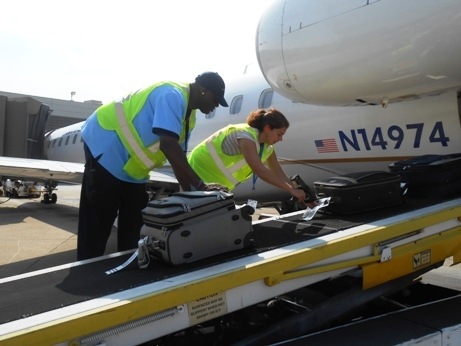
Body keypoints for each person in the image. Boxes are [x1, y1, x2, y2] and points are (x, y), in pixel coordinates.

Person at [77, 72, 228, 260]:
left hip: (132, 169)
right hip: (106, 145)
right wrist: (201, 186)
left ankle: (128, 269)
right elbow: (168, 144)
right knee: (100, 216)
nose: (215, 106)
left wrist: (193, 195)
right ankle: (87, 271)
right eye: (215, 100)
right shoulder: (172, 95)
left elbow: (178, 159)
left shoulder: (190, 116)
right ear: (204, 91)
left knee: (135, 218)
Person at [187, 108, 306, 202]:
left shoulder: (267, 148)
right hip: (196, 174)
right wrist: (291, 190)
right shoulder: (246, 136)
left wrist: (302, 195)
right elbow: (259, 170)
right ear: (267, 128)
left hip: (215, 186)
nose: (281, 139)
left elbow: (280, 175)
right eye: (279, 134)